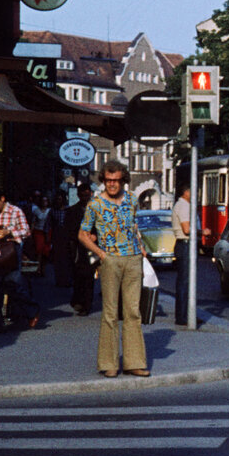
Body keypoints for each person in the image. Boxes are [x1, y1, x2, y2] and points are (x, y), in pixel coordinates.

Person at [79, 161, 150, 377]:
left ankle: (134, 362)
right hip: (110, 260)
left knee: (133, 311)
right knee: (110, 312)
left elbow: (134, 226)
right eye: (108, 180)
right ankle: (109, 363)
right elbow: (82, 234)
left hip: (133, 259)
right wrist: (101, 254)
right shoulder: (95, 204)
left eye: (116, 180)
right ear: (103, 180)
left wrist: (141, 246)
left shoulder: (131, 200)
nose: (112, 184)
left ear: (123, 180)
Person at [0, 188, 40, 334]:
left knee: (16, 285)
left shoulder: (16, 211)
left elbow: (26, 231)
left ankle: (32, 312)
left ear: (2, 198)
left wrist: (9, 232)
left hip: (12, 253)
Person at [169, 183, 208, 327]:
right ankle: (183, 316)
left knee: (187, 281)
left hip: (186, 246)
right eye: (193, 192)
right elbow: (186, 229)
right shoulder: (184, 206)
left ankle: (187, 314)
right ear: (186, 192)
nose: (195, 195)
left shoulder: (183, 205)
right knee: (185, 282)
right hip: (185, 245)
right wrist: (202, 232)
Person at [65, 183, 96, 315]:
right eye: (82, 195)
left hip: (93, 249)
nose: (85, 197)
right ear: (78, 195)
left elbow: (102, 229)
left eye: (87, 195)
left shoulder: (96, 211)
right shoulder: (72, 211)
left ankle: (86, 305)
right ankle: (78, 300)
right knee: (78, 277)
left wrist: (95, 236)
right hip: (78, 249)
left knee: (89, 278)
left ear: (91, 194)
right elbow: (68, 231)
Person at [30, 194, 52, 274]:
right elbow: (33, 222)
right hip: (38, 231)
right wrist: (31, 234)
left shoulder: (50, 211)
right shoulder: (36, 210)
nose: (44, 202)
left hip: (47, 232)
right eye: (43, 201)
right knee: (39, 250)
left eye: (46, 201)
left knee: (46, 251)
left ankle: (43, 268)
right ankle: (38, 268)